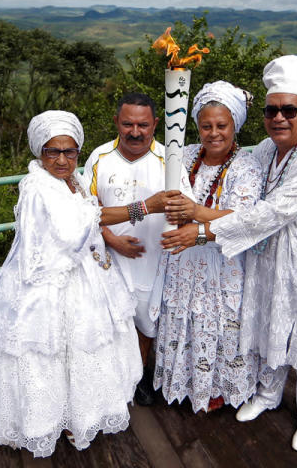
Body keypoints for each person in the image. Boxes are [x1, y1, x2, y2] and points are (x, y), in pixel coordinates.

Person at [162, 55, 297, 452]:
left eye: (289, 110)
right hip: (268, 254)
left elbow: (270, 212)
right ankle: (267, 394)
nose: (279, 117)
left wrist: (197, 225)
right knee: (267, 319)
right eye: (271, 110)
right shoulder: (266, 149)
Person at [0, 110, 168, 458]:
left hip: (80, 272)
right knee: (50, 350)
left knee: (80, 349)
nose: (62, 159)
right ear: (39, 152)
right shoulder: (38, 187)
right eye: (53, 151)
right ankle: (48, 420)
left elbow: (88, 213)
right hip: (47, 282)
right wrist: (146, 207)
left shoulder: (73, 179)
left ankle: (79, 412)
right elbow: (84, 220)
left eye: (70, 151)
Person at [149, 81, 262, 414]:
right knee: (183, 318)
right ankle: (183, 382)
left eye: (221, 126)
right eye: (206, 126)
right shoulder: (182, 157)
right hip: (182, 261)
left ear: (235, 126)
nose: (214, 133)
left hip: (220, 263)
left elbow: (244, 218)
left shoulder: (246, 166)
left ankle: (215, 387)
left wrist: (196, 221)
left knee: (216, 320)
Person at [84, 93, 165, 405]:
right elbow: (85, 209)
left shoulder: (168, 162)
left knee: (146, 319)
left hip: (152, 259)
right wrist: (112, 239)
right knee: (111, 320)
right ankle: (113, 377)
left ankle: (141, 374)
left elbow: (182, 205)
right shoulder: (99, 158)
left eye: (143, 125)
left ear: (155, 124)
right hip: (108, 258)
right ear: (116, 122)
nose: (135, 132)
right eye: (128, 124)